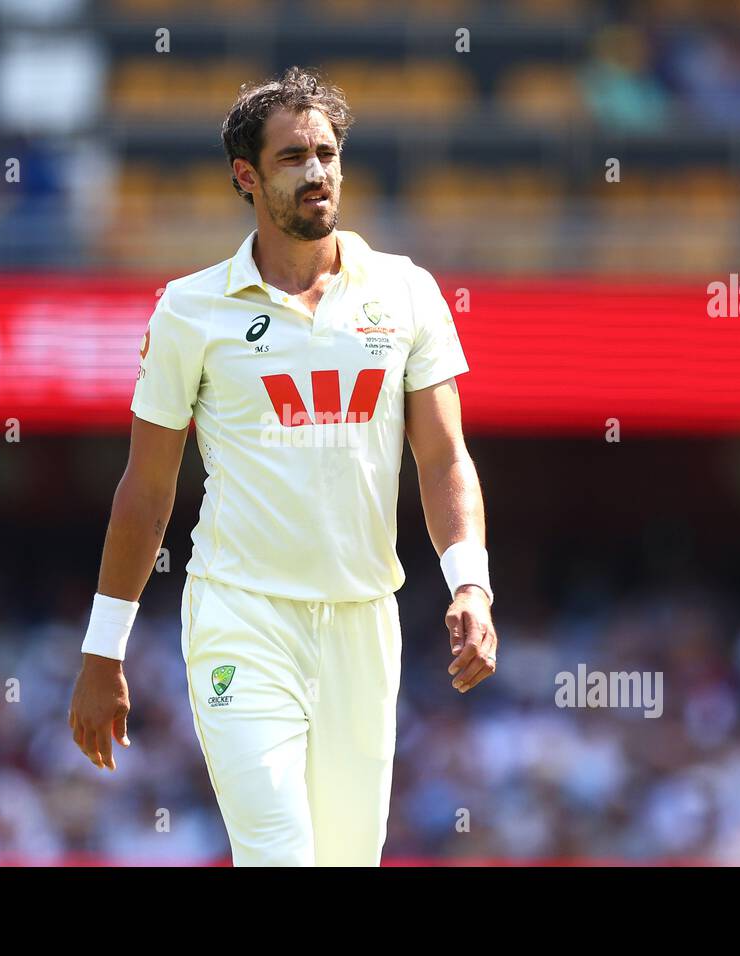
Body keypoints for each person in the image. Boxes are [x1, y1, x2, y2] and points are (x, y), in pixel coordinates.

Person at [68, 66, 496, 866]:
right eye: (293, 157)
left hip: (363, 620)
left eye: (326, 154)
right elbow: (147, 490)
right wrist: (103, 650)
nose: (317, 172)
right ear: (247, 176)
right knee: (279, 853)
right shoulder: (190, 309)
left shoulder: (405, 291)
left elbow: (443, 457)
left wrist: (470, 582)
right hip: (242, 615)